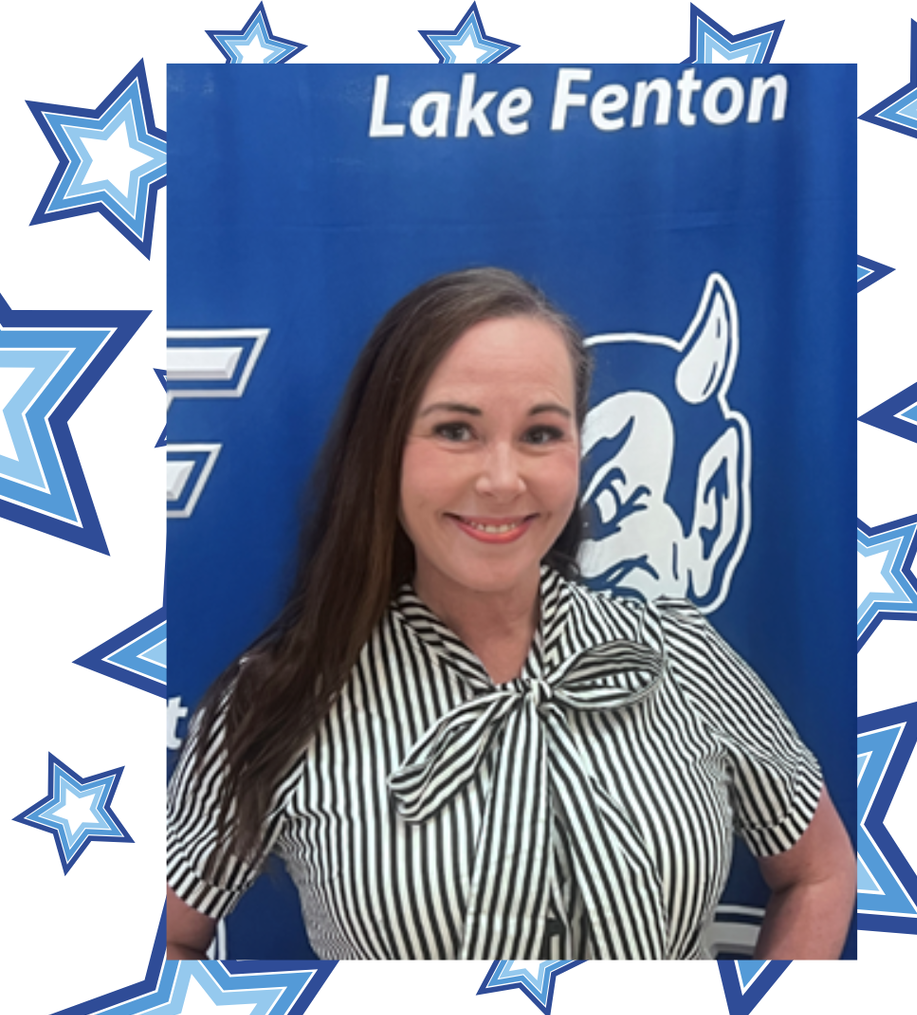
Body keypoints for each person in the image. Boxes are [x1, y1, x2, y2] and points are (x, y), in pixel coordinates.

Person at [167, 267, 855, 960]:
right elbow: (156, 949)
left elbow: (820, 873)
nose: (502, 479)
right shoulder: (281, 698)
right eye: (456, 430)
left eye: (540, 434)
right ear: (383, 452)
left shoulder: (678, 655)